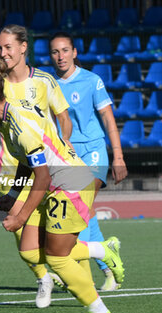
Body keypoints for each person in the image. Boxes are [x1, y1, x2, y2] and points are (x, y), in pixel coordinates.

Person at [0, 57, 124, 313]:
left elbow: (43, 175)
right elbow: (28, 163)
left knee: (58, 258)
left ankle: (99, 312)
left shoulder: (20, 125)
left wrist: (20, 216)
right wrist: (13, 195)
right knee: (29, 252)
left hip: (71, 183)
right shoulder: (4, 120)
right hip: (52, 184)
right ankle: (102, 250)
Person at [0, 24, 73, 308]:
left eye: (8, 47)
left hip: (46, 166)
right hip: (13, 167)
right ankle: (43, 277)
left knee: (48, 237)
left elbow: (63, 118)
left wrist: (65, 142)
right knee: (21, 234)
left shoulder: (44, 81)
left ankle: (98, 253)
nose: (3, 52)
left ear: (23, 47)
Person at [49, 32, 128, 291]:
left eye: (64, 50)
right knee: (85, 214)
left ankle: (80, 276)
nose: (60, 56)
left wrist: (117, 155)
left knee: (79, 211)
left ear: (75, 52)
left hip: (93, 152)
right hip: (66, 157)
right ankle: (108, 264)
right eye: (54, 52)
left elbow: (108, 119)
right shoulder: (49, 84)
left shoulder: (91, 81)